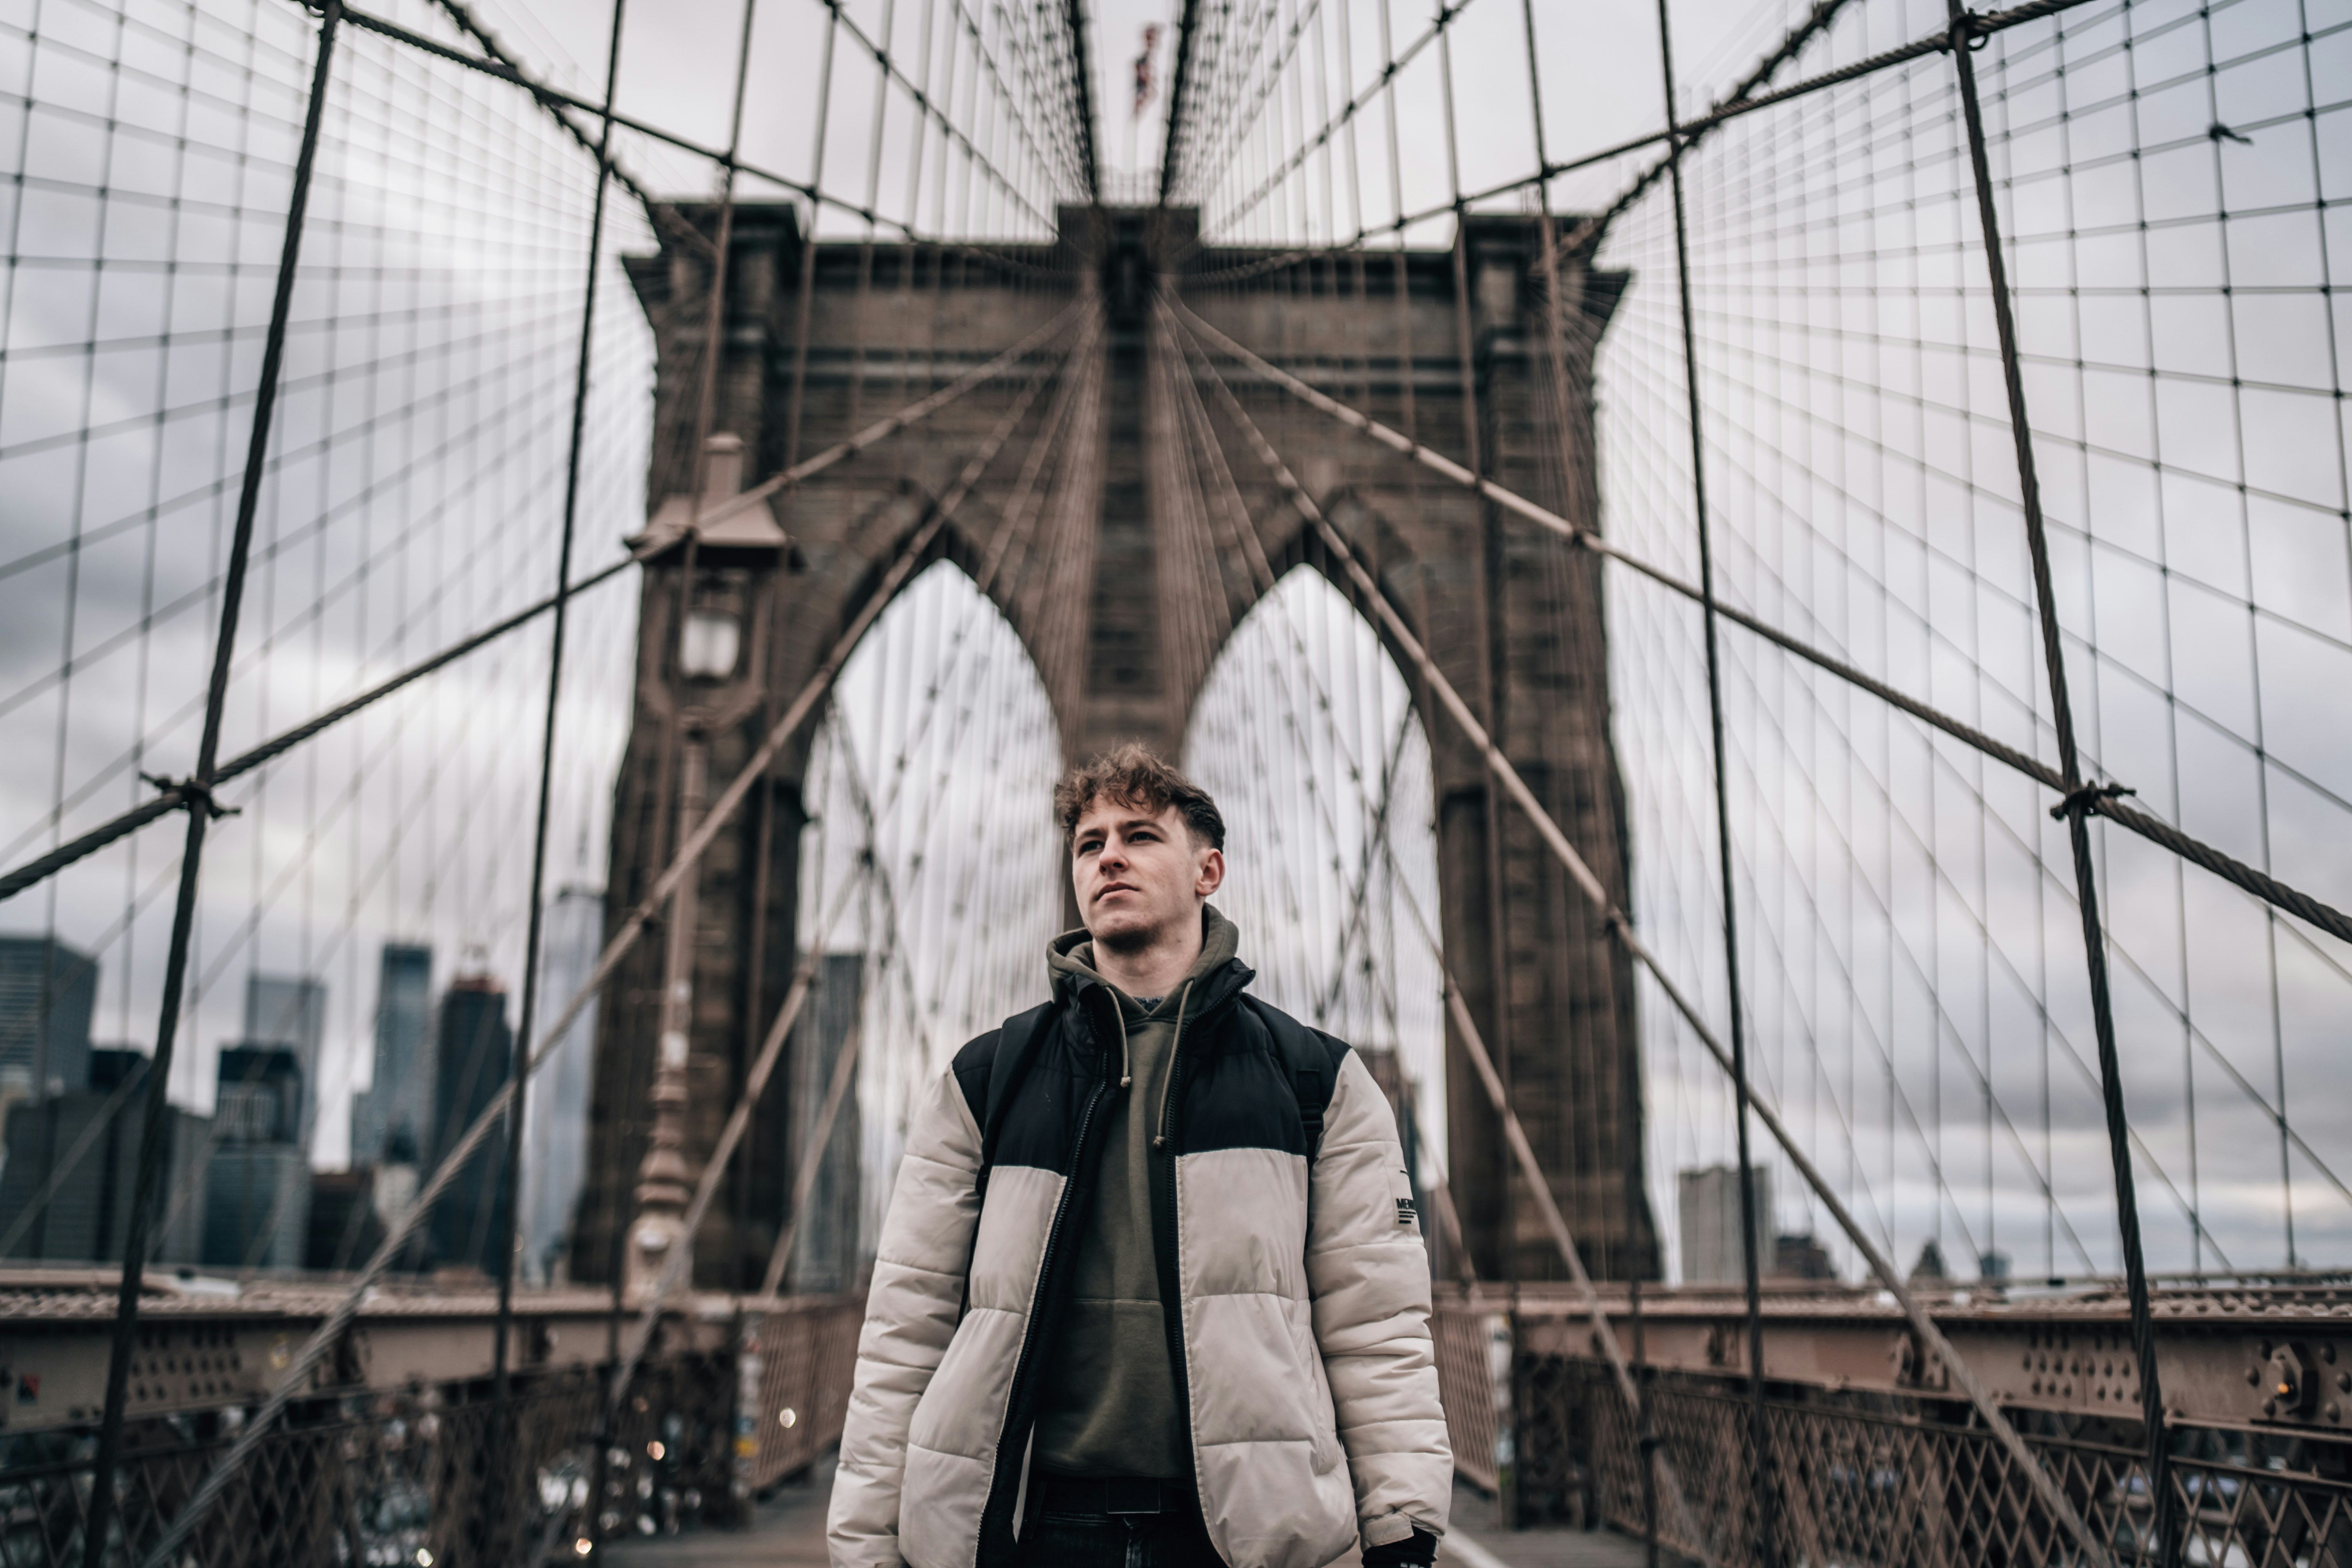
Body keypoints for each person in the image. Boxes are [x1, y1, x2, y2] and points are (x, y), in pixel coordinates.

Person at [829, 743, 1450, 1567]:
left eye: (1141, 835)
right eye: (1090, 843)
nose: (1110, 854)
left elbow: (1375, 1322)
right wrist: (868, 1542)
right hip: (1033, 1530)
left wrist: (1403, 1527)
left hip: (1239, 1536)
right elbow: (906, 1326)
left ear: (1209, 870)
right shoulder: (987, 1081)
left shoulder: (1317, 1081)